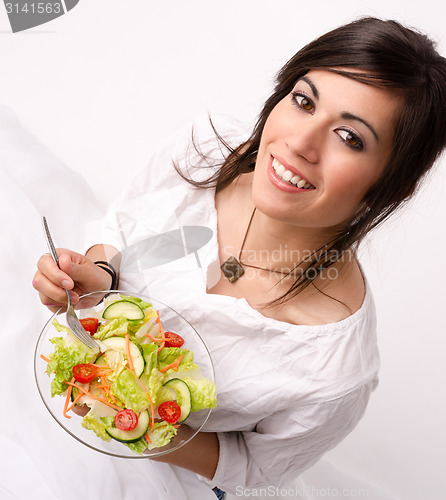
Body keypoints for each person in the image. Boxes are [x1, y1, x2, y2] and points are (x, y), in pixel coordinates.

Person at [32, 17, 446, 499]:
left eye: (350, 138)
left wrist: (140, 423)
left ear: (391, 183)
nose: (299, 143)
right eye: (304, 101)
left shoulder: (332, 370)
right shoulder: (203, 154)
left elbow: (250, 466)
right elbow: (128, 239)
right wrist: (96, 276)